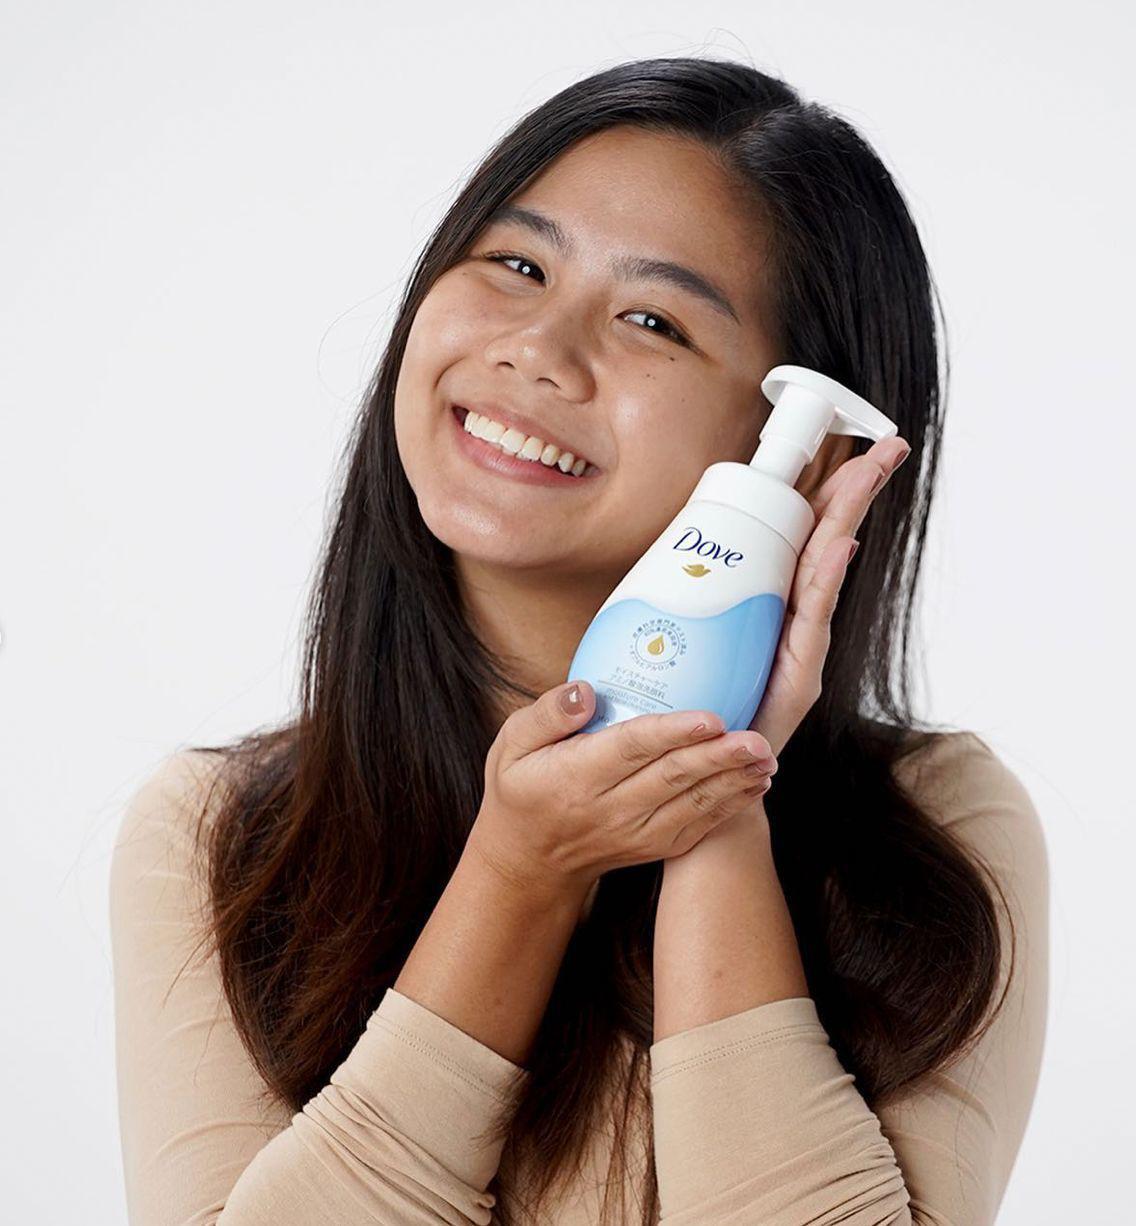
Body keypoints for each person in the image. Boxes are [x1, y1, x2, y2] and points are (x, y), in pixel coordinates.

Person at [109, 56, 1048, 1225]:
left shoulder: (933, 827)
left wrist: (715, 794)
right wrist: (517, 877)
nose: (537, 350)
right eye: (514, 263)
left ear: (796, 455)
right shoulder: (225, 833)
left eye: (651, 319)